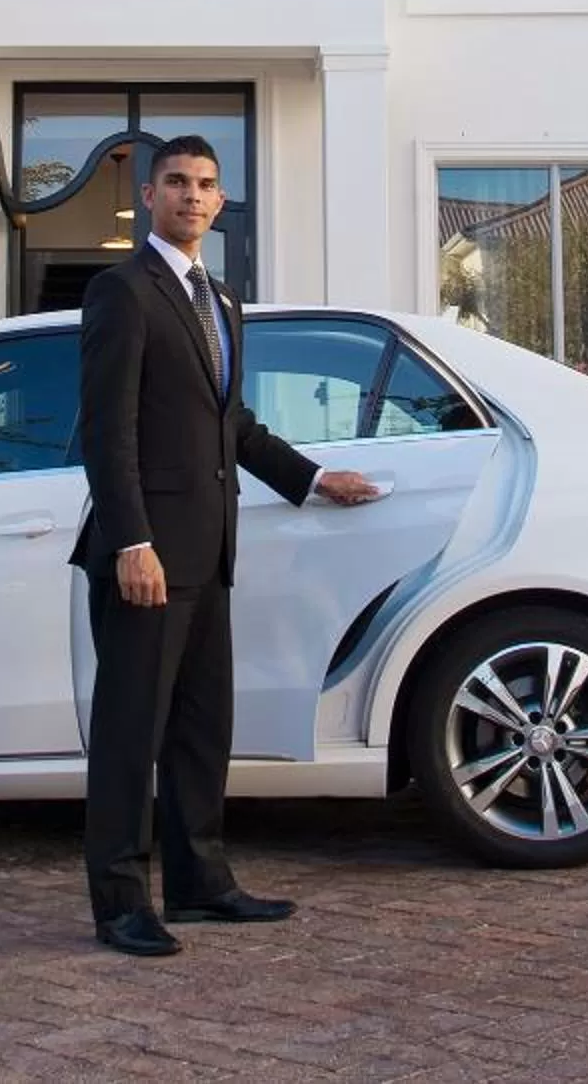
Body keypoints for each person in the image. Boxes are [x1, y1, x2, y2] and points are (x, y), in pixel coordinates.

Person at [72, 133, 382, 957]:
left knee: (202, 729)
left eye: (208, 185)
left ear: (220, 199)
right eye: (177, 183)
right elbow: (109, 432)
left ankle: (202, 884)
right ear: (149, 196)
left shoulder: (223, 299)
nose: (194, 197)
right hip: (146, 557)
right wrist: (130, 540)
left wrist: (313, 479)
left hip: (211, 552)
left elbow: (229, 423)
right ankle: (121, 905)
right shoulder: (122, 292)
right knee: (129, 733)